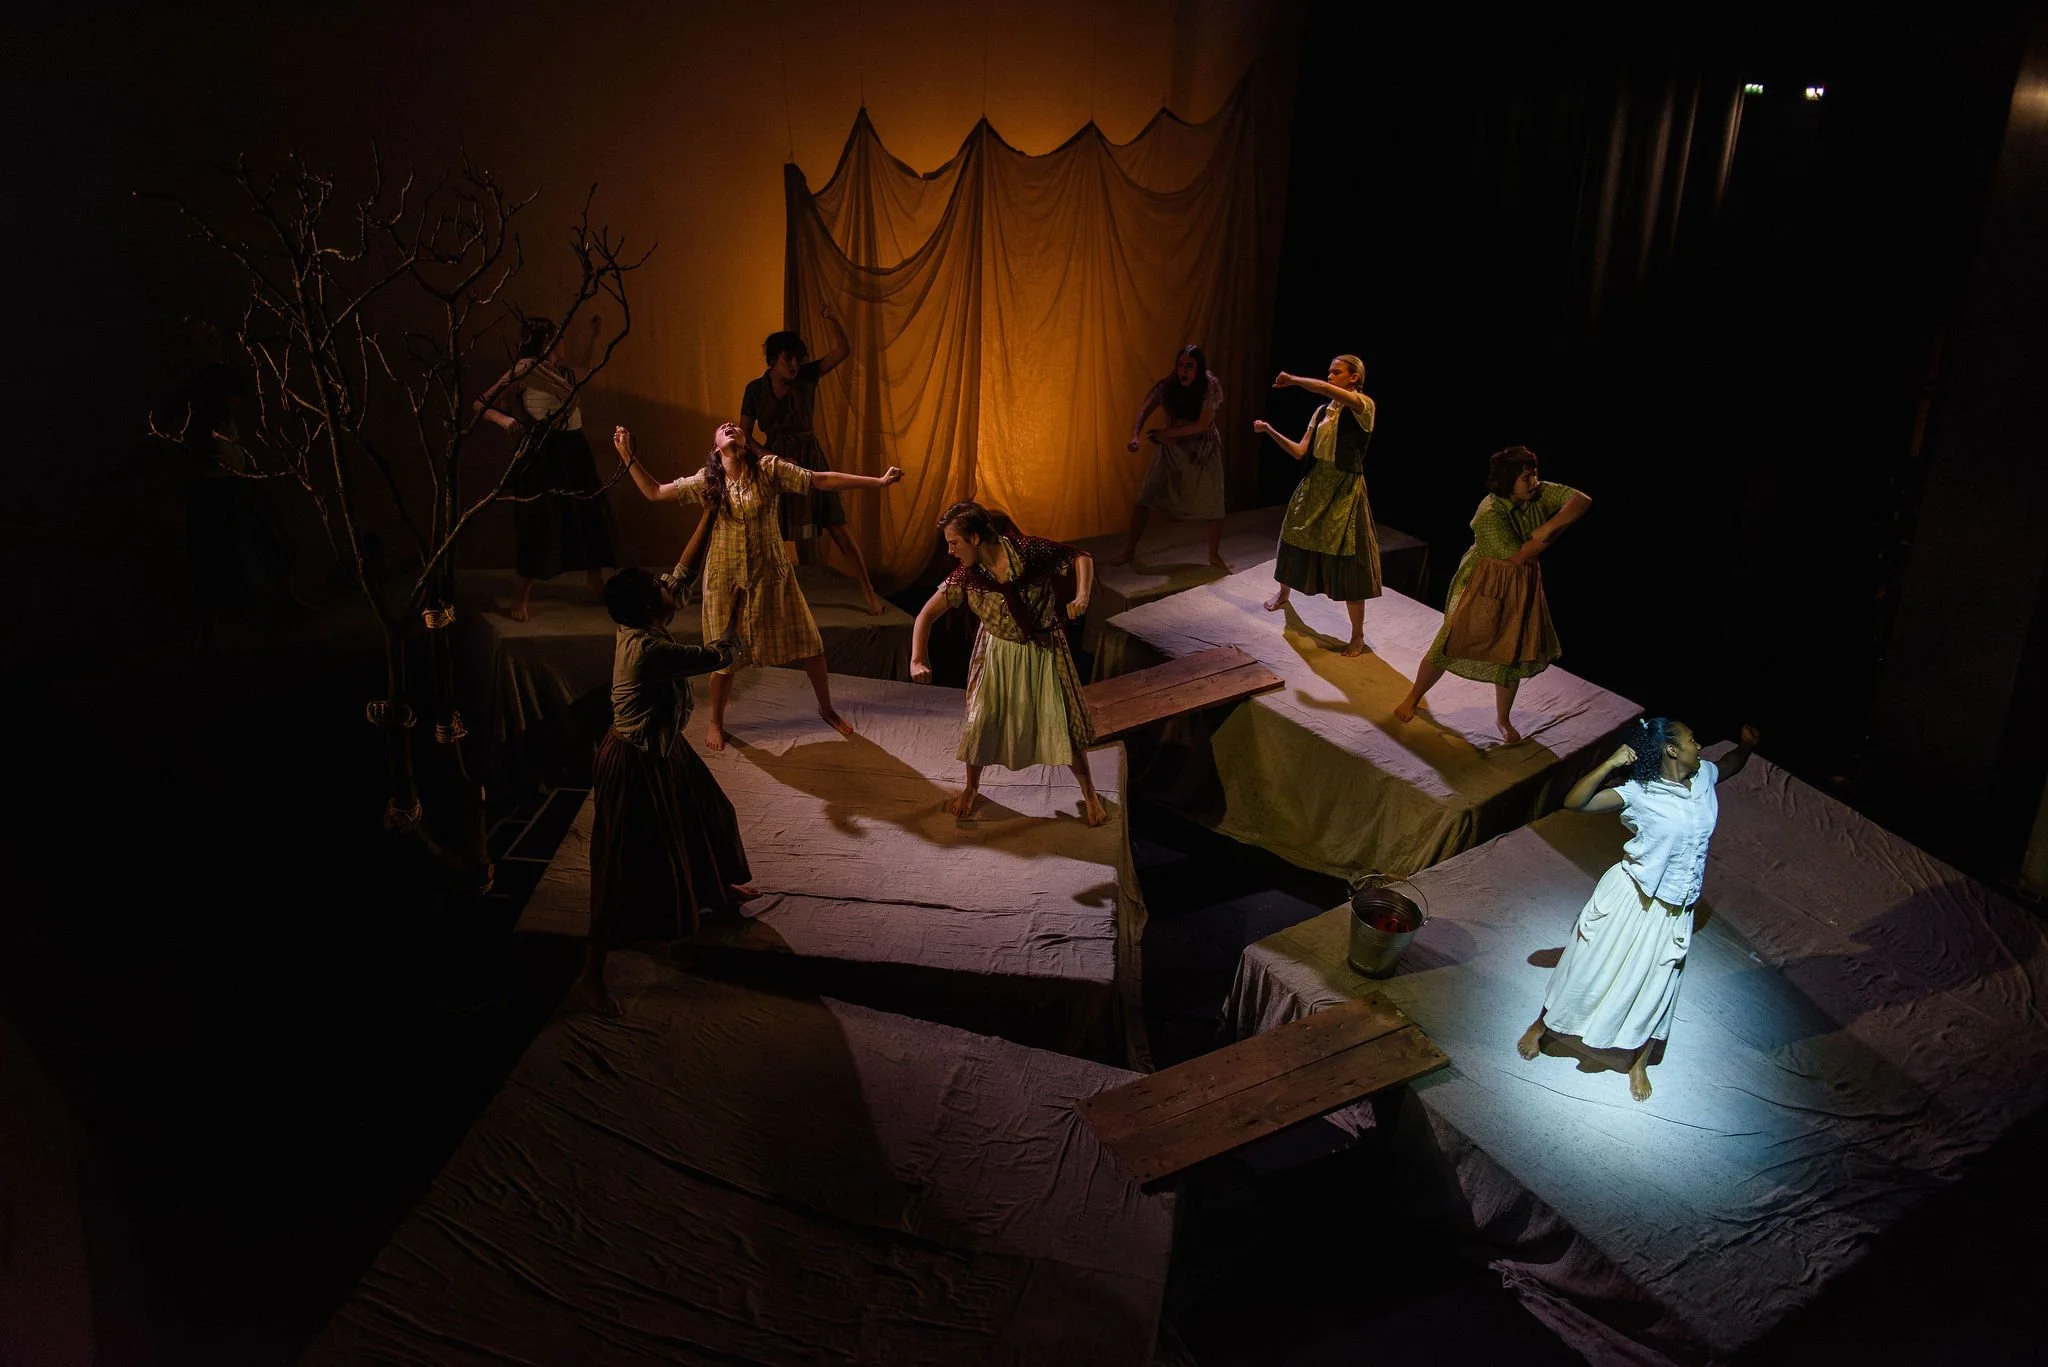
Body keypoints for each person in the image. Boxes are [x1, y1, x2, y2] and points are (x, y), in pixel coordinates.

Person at [613, 421, 903, 750]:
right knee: (724, 660)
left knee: (811, 645)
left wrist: (877, 483)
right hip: (726, 578)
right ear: (715, 449)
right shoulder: (708, 480)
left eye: (735, 427)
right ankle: (716, 720)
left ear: (747, 443)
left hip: (772, 574)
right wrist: (627, 456)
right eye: (724, 429)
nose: (730, 426)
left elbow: (820, 479)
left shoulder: (768, 470)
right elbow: (654, 492)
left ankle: (827, 708)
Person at [1516, 717, 1761, 1101]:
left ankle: (1639, 1061)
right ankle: (1541, 1025)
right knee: (1586, 964)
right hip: (1633, 897)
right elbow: (1576, 802)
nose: (1700, 745)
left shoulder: (1703, 779)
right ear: (1672, 750)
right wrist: (1612, 763)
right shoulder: (1641, 792)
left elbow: (1729, 764)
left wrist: (1746, 747)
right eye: (1693, 739)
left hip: (1675, 908)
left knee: (1658, 983)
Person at [572, 568, 753, 1016]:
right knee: (618, 865)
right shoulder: (651, 649)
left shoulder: (639, 623)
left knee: (709, 811)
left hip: (663, 746)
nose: (670, 588)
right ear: (653, 607)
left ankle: (717, 888)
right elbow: (717, 654)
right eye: (661, 588)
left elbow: (682, 575)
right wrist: (737, 614)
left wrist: (708, 513)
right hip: (633, 760)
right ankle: (590, 975)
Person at [909, 502, 1106, 826]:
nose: (950, 551)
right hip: (997, 652)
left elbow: (1080, 556)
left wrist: (1082, 595)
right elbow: (926, 615)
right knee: (981, 720)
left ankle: (1089, 792)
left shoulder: (1029, 552)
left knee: (1063, 722)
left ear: (974, 538)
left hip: (1042, 650)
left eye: (953, 542)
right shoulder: (966, 577)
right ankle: (972, 787)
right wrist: (917, 659)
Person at [1394, 447, 1593, 743]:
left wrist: (1550, 525)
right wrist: (1555, 532)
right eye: (1526, 477)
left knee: (1510, 650)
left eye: (1534, 473)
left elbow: (1581, 501)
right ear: (1509, 480)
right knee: (1450, 640)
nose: (1534, 481)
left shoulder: (1538, 493)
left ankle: (1503, 719)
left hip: (1520, 581)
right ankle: (1414, 695)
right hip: (1485, 580)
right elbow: (1520, 555)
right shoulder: (1490, 512)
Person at [740, 307, 888, 616]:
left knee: (837, 525)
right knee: (769, 533)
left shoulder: (806, 376)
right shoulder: (755, 390)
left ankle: (869, 593)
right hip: (775, 463)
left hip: (809, 455)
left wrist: (834, 320)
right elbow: (744, 436)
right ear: (772, 360)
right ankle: (765, 600)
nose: (794, 364)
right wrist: (774, 458)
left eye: (797, 358)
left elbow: (843, 350)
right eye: (787, 358)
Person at [475, 315, 618, 622]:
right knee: (538, 520)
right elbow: (480, 403)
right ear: (547, 341)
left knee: (588, 511)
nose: (563, 342)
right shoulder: (525, 370)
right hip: (544, 450)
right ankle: (521, 596)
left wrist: (593, 336)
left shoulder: (560, 372)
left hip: (573, 449)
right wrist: (505, 420)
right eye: (560, 337)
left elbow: (583, 366)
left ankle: (595, 582)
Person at [1253, 355, 1380, 656]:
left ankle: (1357, 635)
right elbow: (1300, 451)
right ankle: (1284, 593)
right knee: (1292, 535)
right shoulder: (1322, 411)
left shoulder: (1364, 406)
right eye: (1329, 372)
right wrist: (1270, 430)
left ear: (1353, 378)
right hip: (1316, 481)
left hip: (1344, 486)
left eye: (1337, 372)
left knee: (1350, 557)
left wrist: (1294, 380)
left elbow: (1324, 388)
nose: (1331, 376)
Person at [1111, 343, 1229, 570]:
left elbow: (1201, 424)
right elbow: (1147, 407)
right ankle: (1129, 550)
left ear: (1199, 368)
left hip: (1201, 449)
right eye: (1181, 365)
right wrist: (1135, 435)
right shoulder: (1169, 384)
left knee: (1214, 502)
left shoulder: (1209, 386)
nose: (1184, 371)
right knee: (1146, 496)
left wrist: (1167, 433)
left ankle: (1213, 554)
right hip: (1172, 446)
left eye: (1190, 366)